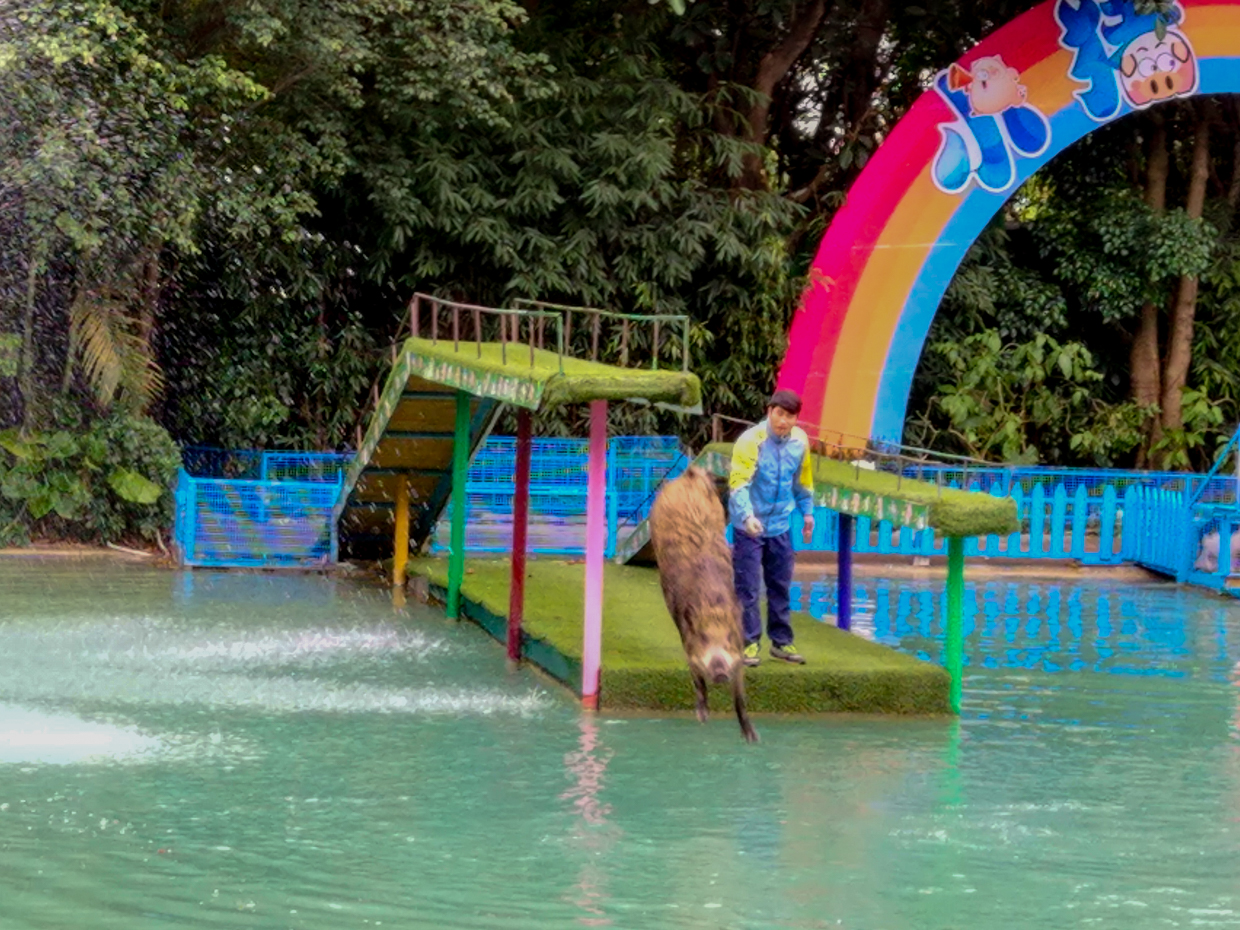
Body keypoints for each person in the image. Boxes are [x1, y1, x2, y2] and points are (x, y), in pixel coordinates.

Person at [728, 390, 815, 666]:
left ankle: (781, 642)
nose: (784, 421)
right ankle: (748, 643)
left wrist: (808, 513)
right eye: (780, 414)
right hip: (749, 525)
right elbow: (738, 482)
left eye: (790, 416)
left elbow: (802, 480)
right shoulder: (750, 441)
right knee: (748, 587)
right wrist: (746, 515)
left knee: (780, 585)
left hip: (780, 524)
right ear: (769, 412)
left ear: (795, 419)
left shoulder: (800, 442)